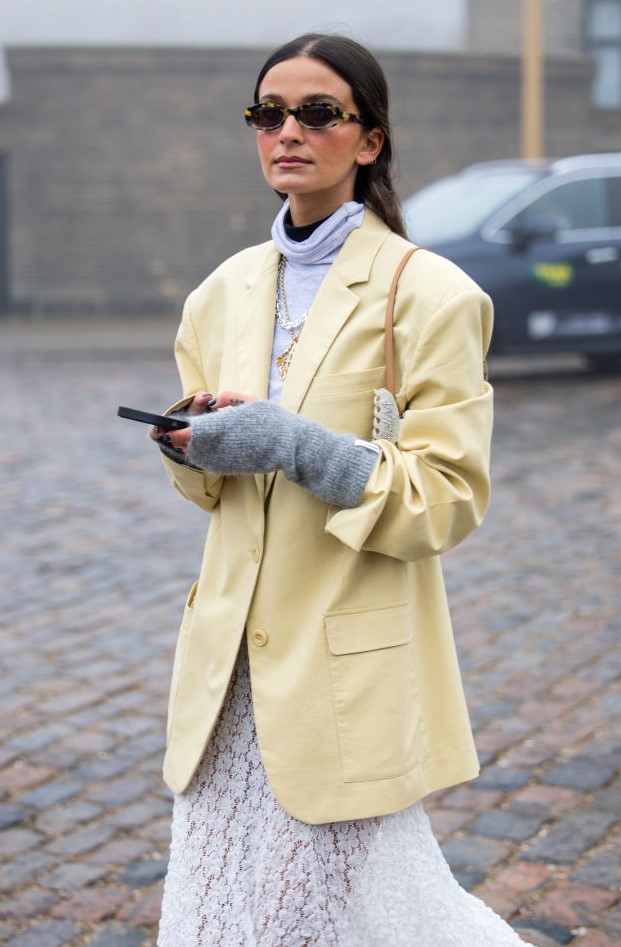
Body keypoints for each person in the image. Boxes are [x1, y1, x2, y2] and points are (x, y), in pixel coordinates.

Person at [151, 32, 533, 947]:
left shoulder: (432, 295)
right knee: (214, 915)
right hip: (227, 674)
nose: (288, 130)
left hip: (343, 670)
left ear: (369, 140)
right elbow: (213, 500)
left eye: (318, 112)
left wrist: (291, 442)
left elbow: (447, 497)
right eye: (267, 112)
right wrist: (191, 446)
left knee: (312, 921)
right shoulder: (220, 292)